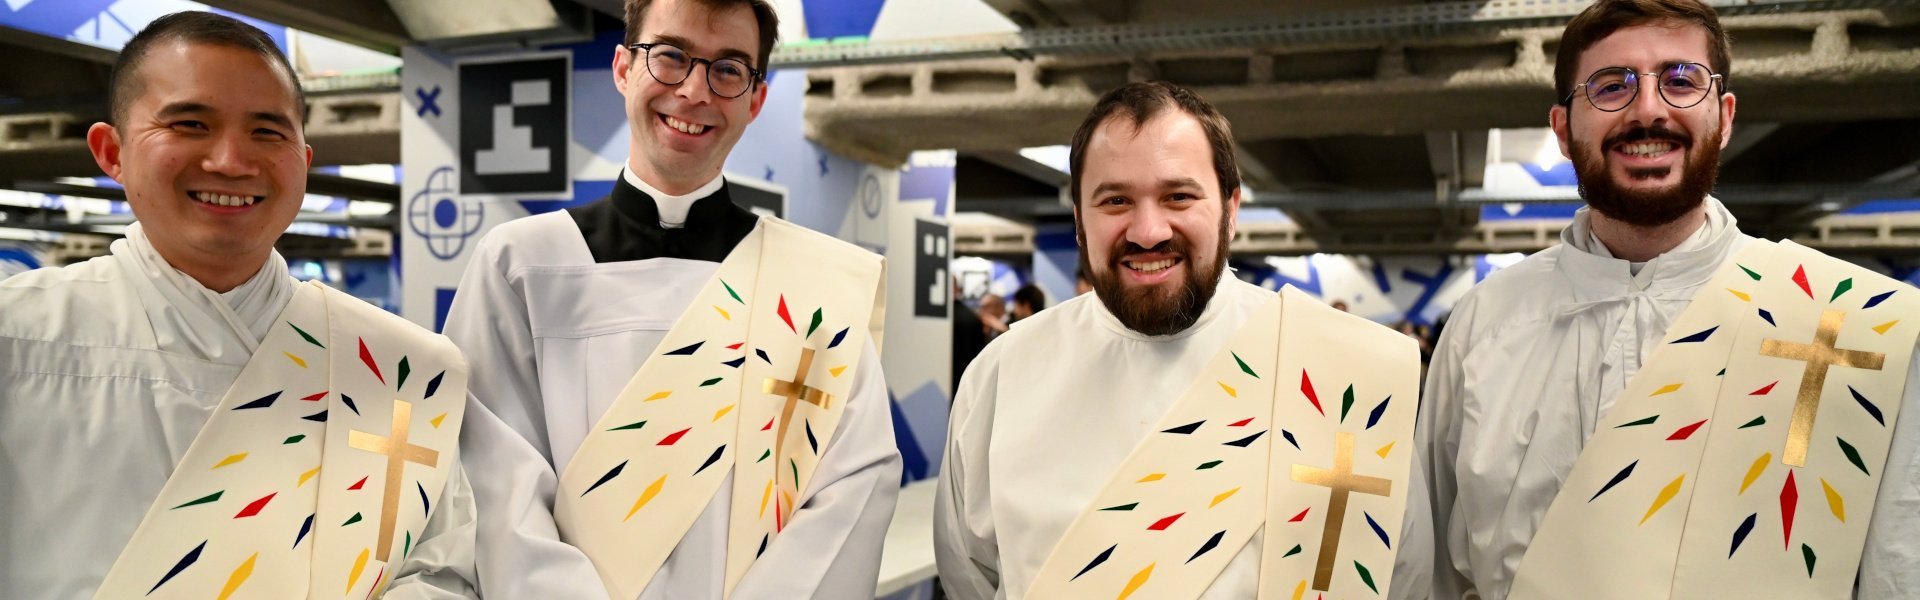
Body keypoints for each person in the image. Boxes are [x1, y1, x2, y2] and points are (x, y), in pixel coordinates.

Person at [1418, 1, 1920, 598]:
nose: (1649, 109)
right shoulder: (1486, 322)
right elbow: (1427, 570)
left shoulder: (1850, 324)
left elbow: (1898, 567)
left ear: (1725, 117)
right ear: (1561, 129)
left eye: (1681, 81)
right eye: (1610, 86)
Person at [0, 12, 477, 597]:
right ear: (111, 151)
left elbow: (443, 567)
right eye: (191, 123)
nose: (230, 160)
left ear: (303, 162)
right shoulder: (16, 333)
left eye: (267, 132)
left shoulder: (401, 367)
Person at [443, 0, 900, 597]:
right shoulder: (522, 266)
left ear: (756, 99)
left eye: (729, 69)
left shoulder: (817, 288)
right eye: (669, 56)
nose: (693, 91)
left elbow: (852, 491)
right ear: (623, 69)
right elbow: (493, 486)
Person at [935, 81, 1432, 600]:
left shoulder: (1345, 371)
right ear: (1080, 220)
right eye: (1115, 200)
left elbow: (1404, 574)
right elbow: (970, 575)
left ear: (1231, 209)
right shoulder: (1004, 374)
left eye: (1178, 196)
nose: (1148, 230)